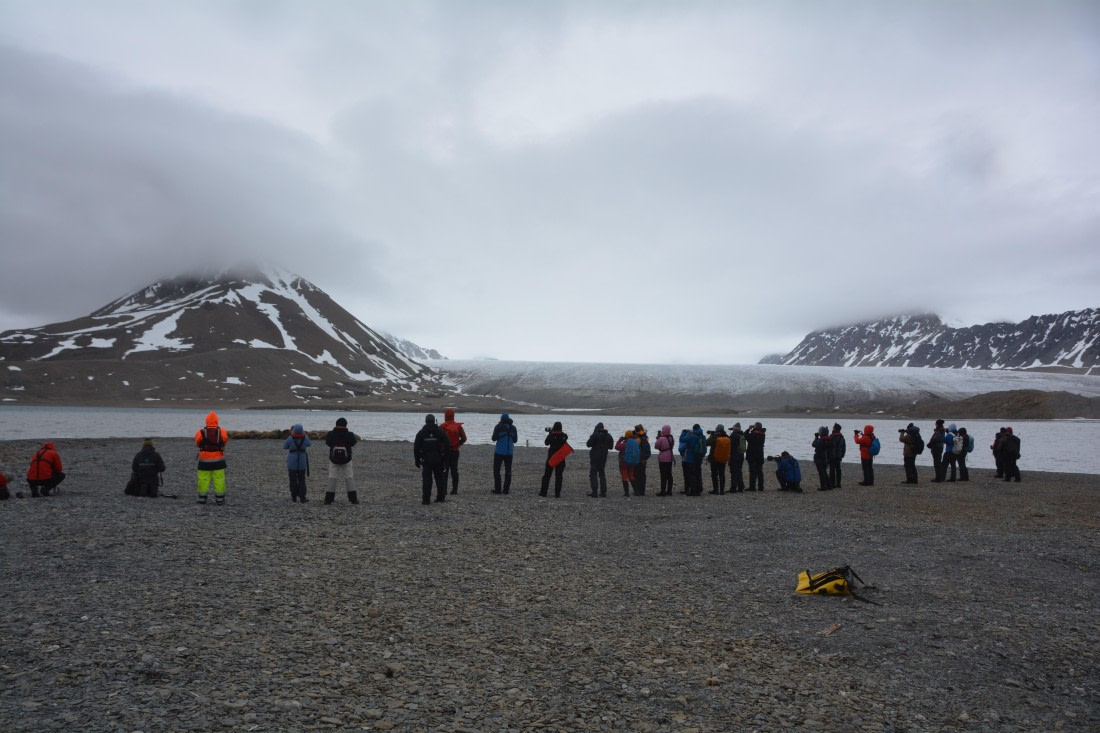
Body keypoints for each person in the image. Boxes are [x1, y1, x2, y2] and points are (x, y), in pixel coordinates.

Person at [414, 414, 451, 504]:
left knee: (427, 479)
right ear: (434, 421)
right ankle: (441, 497)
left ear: (426, 421)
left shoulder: (421, 432)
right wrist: (446, 458)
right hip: (438, 458)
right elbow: (447, 444)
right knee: (439, 478)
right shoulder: (440, 431)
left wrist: (417, 459)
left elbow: (416, 447)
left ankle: (426, 499)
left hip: (426, 459)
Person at [195, 412, 228, 504]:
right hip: (219, 459)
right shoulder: (222, 431)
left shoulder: (200, 432)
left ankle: (202, 498)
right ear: (217, 420)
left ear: (207, 421)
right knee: (219, 479)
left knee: (203, 479)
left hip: (204, 460)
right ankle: (220, 499)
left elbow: (198, 443)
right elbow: (224, 441)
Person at [324, 417, 359, 505]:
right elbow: (353, 443)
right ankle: (353, 499)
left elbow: (328, 443)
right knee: (349, 478)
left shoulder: (331, 434)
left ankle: (328, 500)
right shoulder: (350, 434)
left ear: (336, 424)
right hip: (347, 459)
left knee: (332, 478)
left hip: (333, 459)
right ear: (346, 425)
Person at [439, 408, 468, 495]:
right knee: (454, 471)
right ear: (453, 416)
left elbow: (439, 440)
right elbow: (464, 438)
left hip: (445, 452)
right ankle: (454, 490)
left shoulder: (442, 426)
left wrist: (440, 448)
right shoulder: (458, 426)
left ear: (445, 416)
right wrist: (458, 444)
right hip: (455, 452)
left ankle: (444, 490)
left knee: (445, 471)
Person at [283, 424, 311, 503]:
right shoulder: (305, 438)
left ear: (294, 430)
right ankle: (302, 497)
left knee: (293, 479)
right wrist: (305, 435)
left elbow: (285, 447)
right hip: (302, 459)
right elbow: (309, 444)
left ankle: (294, 497)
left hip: (292, 459)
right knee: (302, 479)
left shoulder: (290, 438)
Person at [540, 421, 569, 497]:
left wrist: (550, 433)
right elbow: (565, 438)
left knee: (547, 475)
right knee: (559, 476)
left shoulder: (551, 436)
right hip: (561, 458)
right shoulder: (564, 436)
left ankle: (543, 492)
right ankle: (557, 494)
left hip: (551, 458)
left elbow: (546, 443)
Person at [491, 413, 517, 494]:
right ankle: (506, 490)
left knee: (496, 470)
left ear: (501, 418)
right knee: (508, 471)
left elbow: (493, 438)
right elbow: (515, 440)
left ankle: (498, 489)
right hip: (509, 452)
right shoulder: (513, 428)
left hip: (499, 451)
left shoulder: (498, 426)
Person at [585, 422, 614, 497]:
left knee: (593, 473)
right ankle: (603, 492)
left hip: (595, 456)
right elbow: (611, 447)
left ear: (596, 428)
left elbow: (588, 444)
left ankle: (594, 492)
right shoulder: (609, 436)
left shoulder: (595, 435)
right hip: (603, 456)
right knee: (602, 473)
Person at [706, 424, 731, 495]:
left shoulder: (714, 437)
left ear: (717, 429)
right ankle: (722, 491)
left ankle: (716, 490)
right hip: (723, 458)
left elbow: (706, 443)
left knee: (714, 474)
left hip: (714, 458)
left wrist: (711, 435)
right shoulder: (727, 437)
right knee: (722, 474)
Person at [615, 429, 639, 497]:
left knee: (624, 476)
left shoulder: (625, 444)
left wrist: (620, 440)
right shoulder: (635, 442)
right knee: (631, 476)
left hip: (624, 462)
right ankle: (636, 491)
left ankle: (626, 493)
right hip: (632, 462)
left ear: (626, 436)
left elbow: (617, 447)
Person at [654, 424, 676, 496]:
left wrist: (658, 438)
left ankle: (662, 491)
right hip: (670, 457)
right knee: (669, 474)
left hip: (663, 458)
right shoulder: (671, 438)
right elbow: (672, 446)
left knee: (663, 475)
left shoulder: (661, 439)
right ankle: (669, 491)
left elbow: (656, 446)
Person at [745, 422, 767, 491]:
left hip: (752, 456)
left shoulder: (752, 435)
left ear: (755, 427)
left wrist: (749, 428)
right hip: (760, 456)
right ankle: (761, 487)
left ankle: (752, 487)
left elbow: (745, 435)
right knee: (760, 472)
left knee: (752, 472)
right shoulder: (763, 435)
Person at [811, 426, 834, 491]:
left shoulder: (821, 441)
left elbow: (813, 444)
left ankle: (823, 487)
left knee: (821, 473)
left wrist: (816, 437)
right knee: (824, 472)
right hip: (826, 459)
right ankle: (829, 485)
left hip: (820, 458)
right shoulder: (830, 440)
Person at [728, 422, 746, 493]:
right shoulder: (742, 435)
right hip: (741, 455)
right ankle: (741, 487)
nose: (732, 430)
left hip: (734, 456)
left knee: (734, 472)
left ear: (735, 429)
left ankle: (733, 488)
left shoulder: (733, 436)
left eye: (733, 429)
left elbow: (731, 447)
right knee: (739, 471)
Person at [633, 424, 651, 495]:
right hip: (643, 459)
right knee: (642, 475)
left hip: (639, 459)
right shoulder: (644, 437)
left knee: (637, 475)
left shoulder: (639, 438)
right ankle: (641, 491)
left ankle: (639, 491)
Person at [828, 423, 846, 488]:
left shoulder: (831, 436)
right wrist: (842, 455)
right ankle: (838, 484)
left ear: (835, 428)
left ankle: (832, 483)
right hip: (838, 456)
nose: (832, 428)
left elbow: (829, 447)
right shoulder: (842, 437)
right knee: (838, 469)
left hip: (832, 456)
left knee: (832, 469)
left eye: (833, 427)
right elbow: (844, 448)